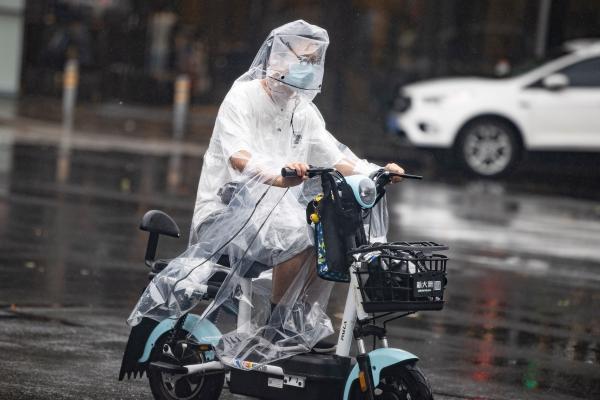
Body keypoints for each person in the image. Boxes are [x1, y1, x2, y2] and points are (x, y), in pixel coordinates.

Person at [128, 19, 404, 365]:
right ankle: (278, 325)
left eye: (314, 60)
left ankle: (300, 318)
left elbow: (336, 157)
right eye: (303, 59)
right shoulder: (241, 98)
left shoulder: (302, 111)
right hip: (226, 212)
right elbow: (238, 155)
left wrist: (377, 172)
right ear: (277, 59)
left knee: (327, 234)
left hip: (278, 210)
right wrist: (276, 175)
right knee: (298, 232)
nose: (309, 67)